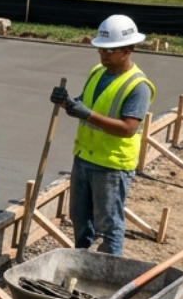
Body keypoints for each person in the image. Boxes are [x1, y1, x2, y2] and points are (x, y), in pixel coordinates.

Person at [50, 15, 155, 255]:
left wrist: (86, 114)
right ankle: (81, 265)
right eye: (101, 50)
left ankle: (106, 275)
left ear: (128, 49)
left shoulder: (138, 86)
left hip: (111, 166)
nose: (104, 55)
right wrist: (67, 102)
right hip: (84, 157)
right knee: (79, 220)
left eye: (111, 51)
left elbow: (129, 128)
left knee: (108, 226)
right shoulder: (98, 71)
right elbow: (86, 103)